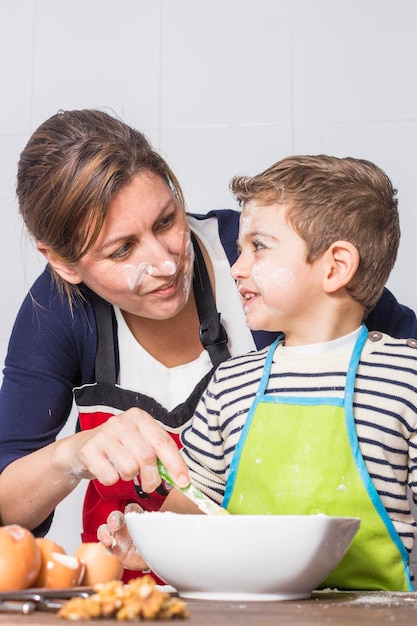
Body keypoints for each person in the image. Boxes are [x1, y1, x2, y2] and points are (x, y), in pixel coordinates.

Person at [0, 110, 414, 578]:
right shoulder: (57, 311)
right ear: (63, 262)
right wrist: (72, 454)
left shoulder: (266, 255)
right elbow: (7, 506)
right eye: (122, 250)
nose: (163, 263)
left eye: (165, 221)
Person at [104, 155, 417, 591]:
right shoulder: (231, 384)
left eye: (259, 246)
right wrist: (154, 541)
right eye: (238, 250)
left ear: (335, 267)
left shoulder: (405, 378)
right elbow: (195, 502)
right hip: (248, 611)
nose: (236, 268)